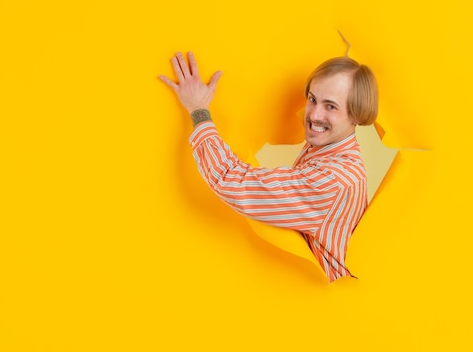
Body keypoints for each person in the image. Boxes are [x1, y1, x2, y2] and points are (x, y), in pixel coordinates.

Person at [159, 51, 378, 282]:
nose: (314, 114)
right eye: (312, 99)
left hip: (328, 307)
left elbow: (231, 181)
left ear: (356, 115)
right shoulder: (334, 150)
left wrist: (198, 109)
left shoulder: (331, 181)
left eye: (331, 106)